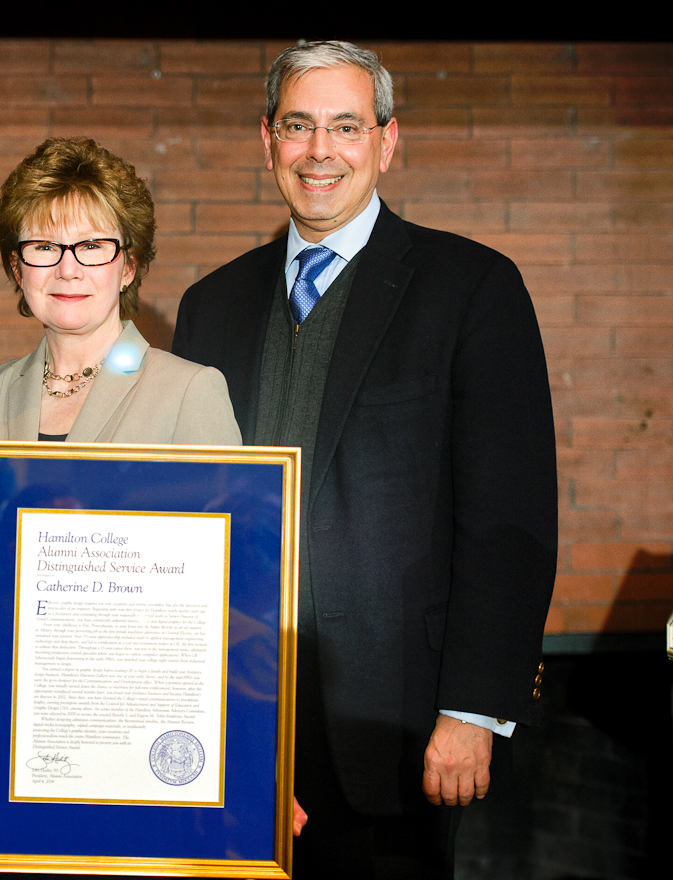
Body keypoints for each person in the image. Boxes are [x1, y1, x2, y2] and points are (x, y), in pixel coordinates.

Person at [172, 42, 557, 878]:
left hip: (398, 724)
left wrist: (473, 712)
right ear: (267, 139)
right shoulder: (210, 306)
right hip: (235, 726)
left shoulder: (473, 289)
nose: (321, 151)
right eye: (300, 126)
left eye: (346, 126)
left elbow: (509, 521)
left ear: (386, 142)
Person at [0, 136, 242, 737]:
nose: (68, 268)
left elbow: (230, 588)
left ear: (129, 264)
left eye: (92, 246)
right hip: (0, 713)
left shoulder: (190, 393)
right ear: (18, 267)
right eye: (44, 247)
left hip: (136, 720)